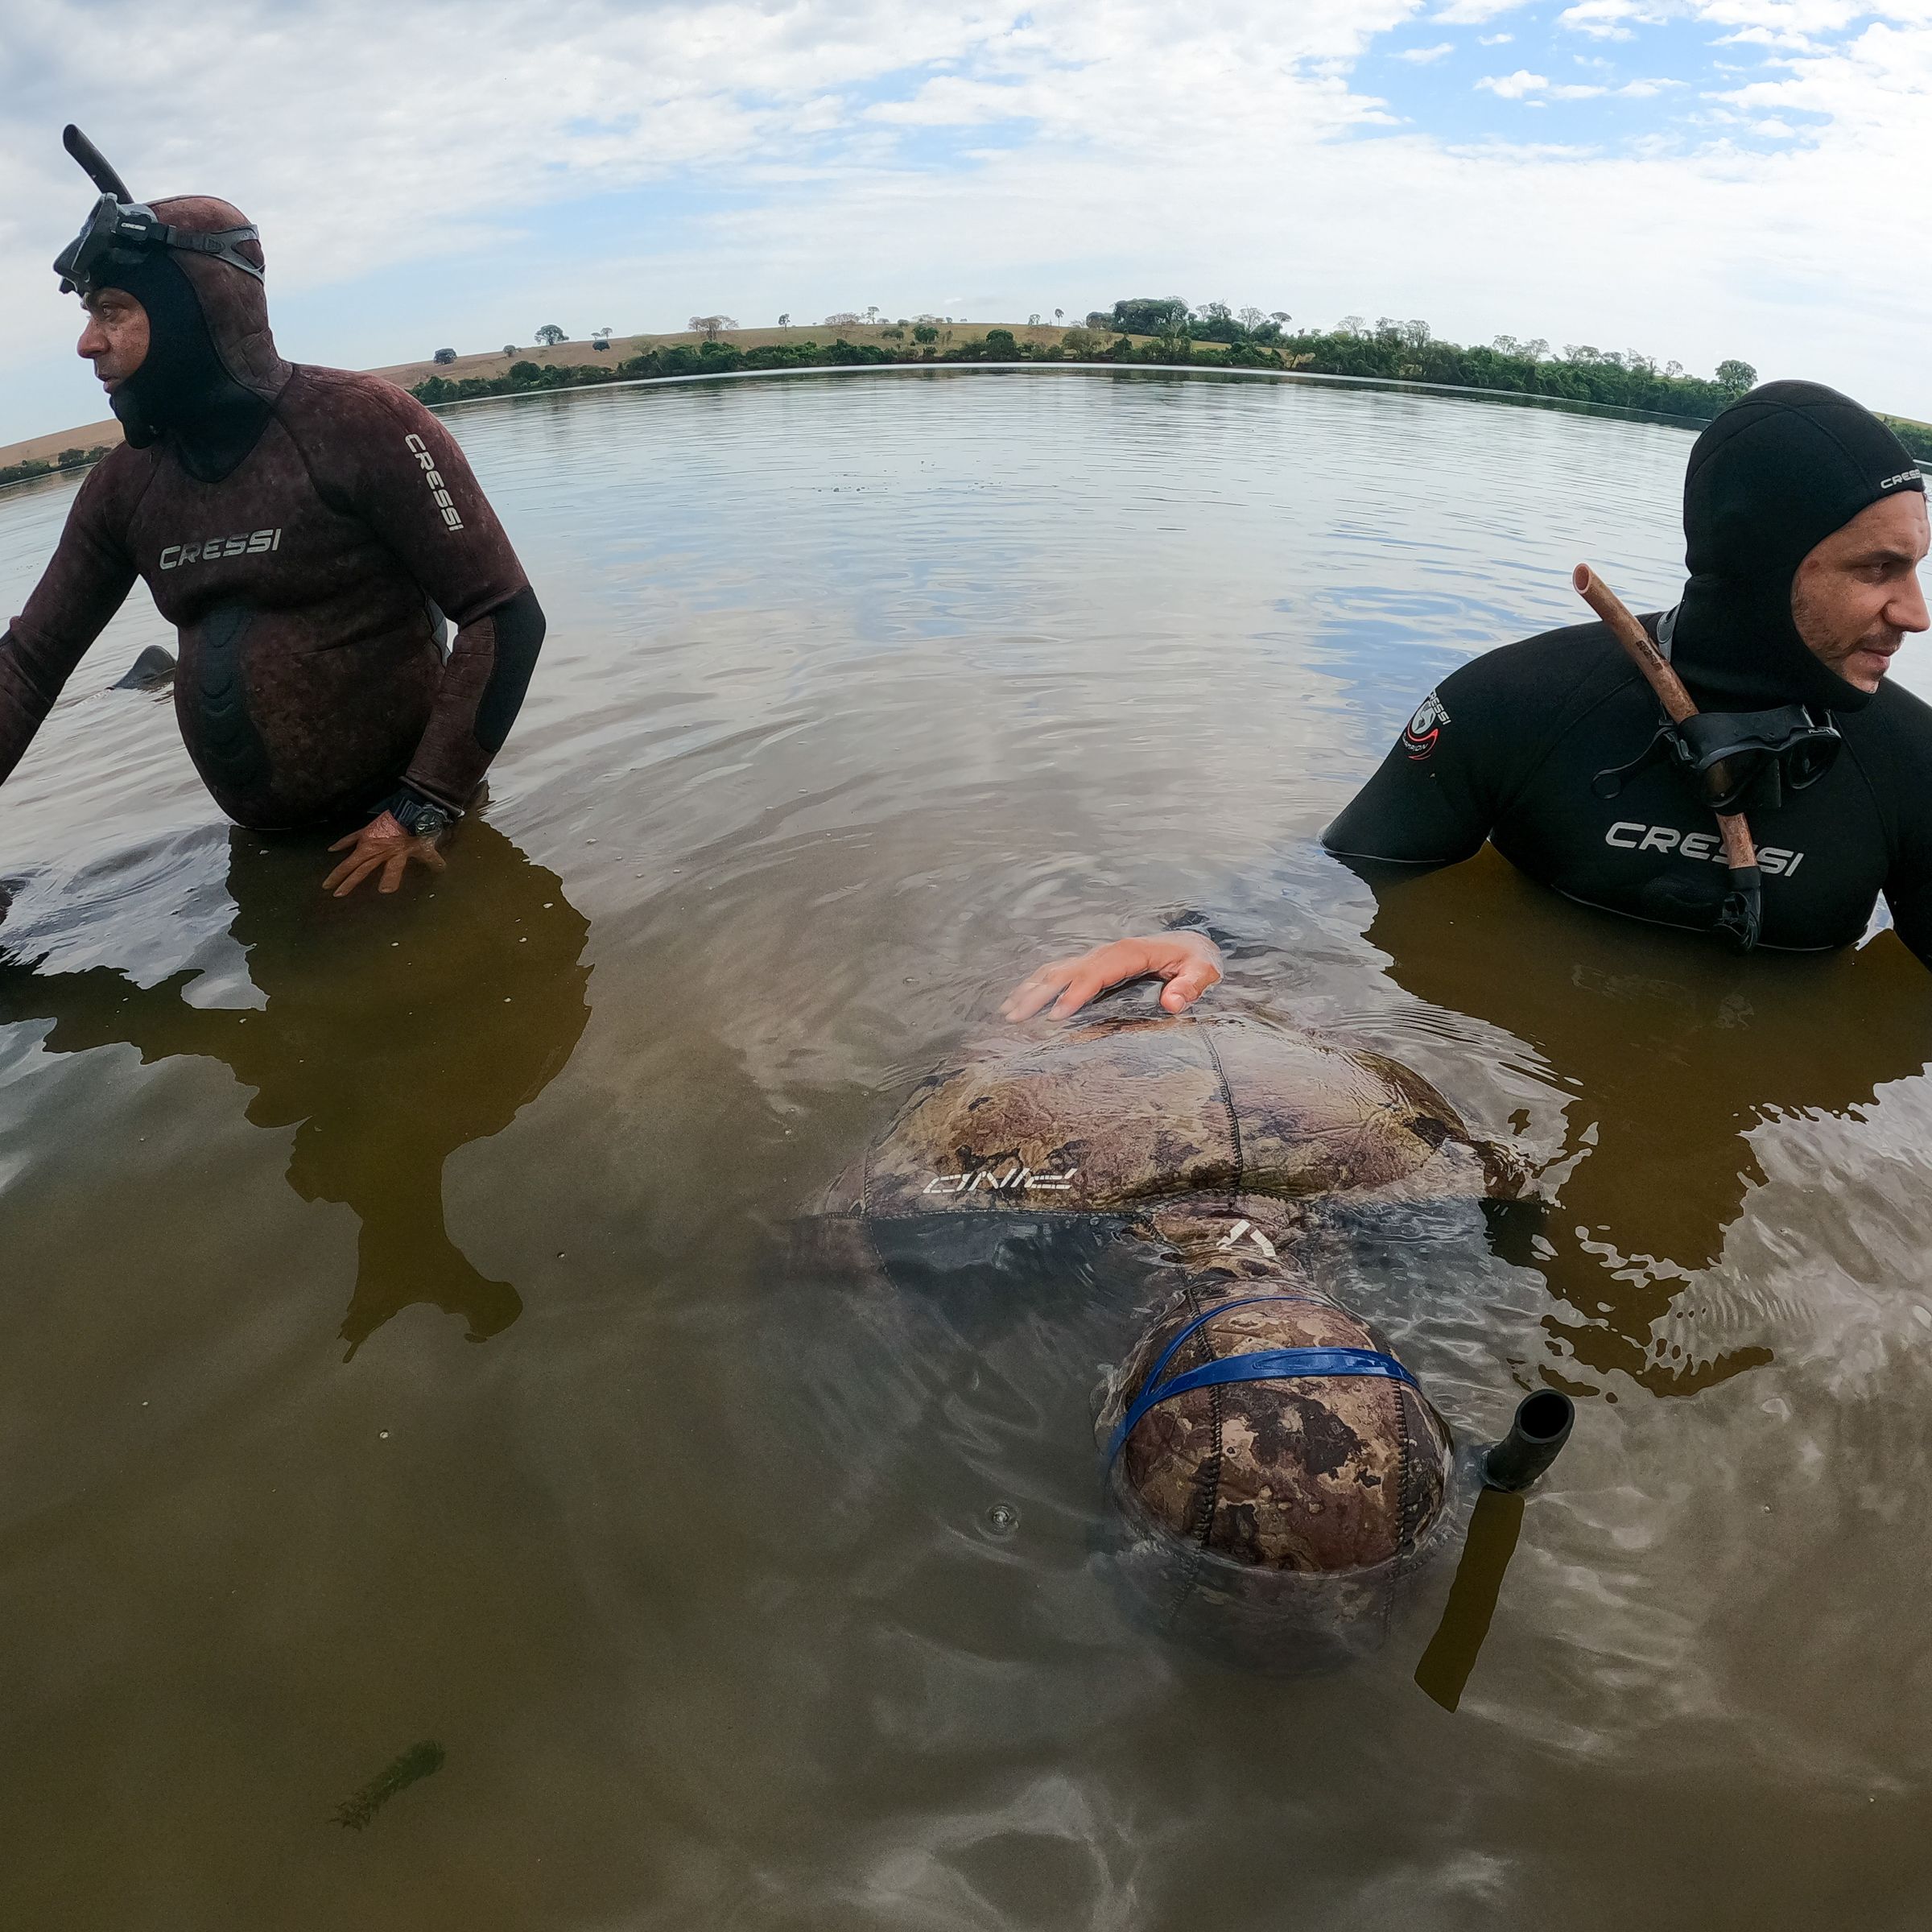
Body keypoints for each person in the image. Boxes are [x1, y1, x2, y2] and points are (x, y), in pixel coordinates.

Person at [1005, 380, 1932, 1022]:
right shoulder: (1520, 702)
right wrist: (1203, 938)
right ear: (1761, 564)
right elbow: (1344, 867)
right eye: (1878, 570)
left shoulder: (1910, 759)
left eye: (1916, 570)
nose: (1916, 615)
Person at [0, 128, 544, 896]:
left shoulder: (361, 424)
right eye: (91, 315)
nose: (88, 343)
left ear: (196, 313)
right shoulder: (124, 488)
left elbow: (504, 615)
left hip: (408, 840)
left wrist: (424, 807)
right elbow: (26, 666)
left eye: (114, 311)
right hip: (262, 856)